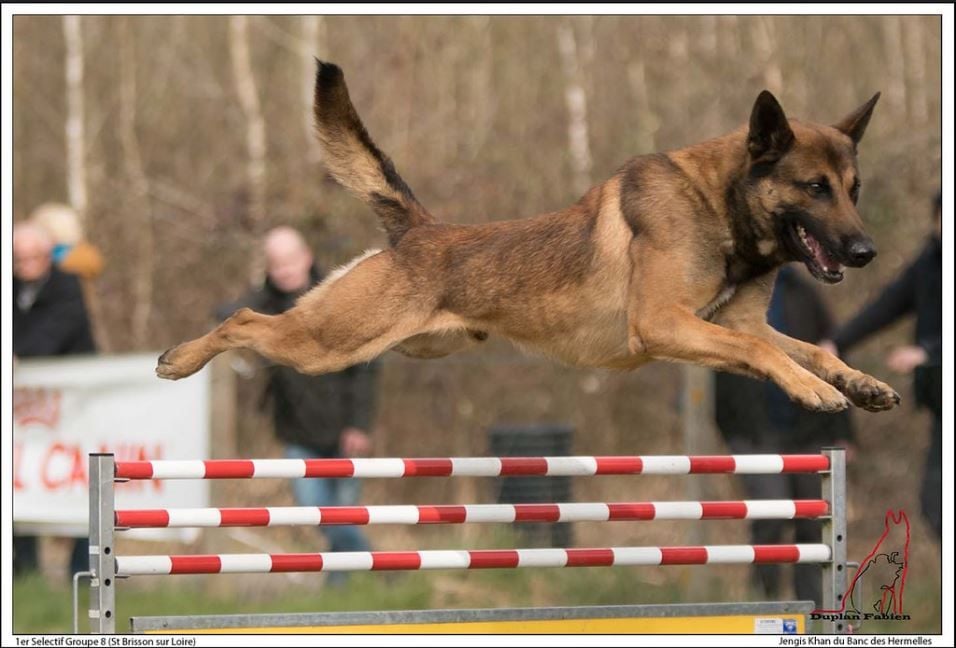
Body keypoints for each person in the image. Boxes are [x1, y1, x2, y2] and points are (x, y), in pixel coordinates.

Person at [217, 226, 380, 584]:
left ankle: (348, 589)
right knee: (315, 513)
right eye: (276, 265)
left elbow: (366, 369)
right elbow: (229, 314)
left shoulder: (339, 297)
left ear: (306, 257)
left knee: (343, 517)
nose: (285, 271)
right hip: (297, 433)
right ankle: (381, 568)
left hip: (344, 431)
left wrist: (359, 425)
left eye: (290, 262)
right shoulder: (264, 303)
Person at [714, 265, 855, 606]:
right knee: (772, 517)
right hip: (753, 432)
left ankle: (812, 610)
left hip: (808, 429)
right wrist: (731, 433)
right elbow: (715, 366)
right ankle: (765, 603)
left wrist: (844, 433)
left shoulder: (804, 293)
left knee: (812, 522)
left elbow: (835, 362)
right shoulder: (728, 293)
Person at [823, 191, 942, 540]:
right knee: (933, 506)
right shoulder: (928, 264)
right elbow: (886, 306)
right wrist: (837, 342)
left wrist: (930, 353)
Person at [13, 222, 96, 578]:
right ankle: (23, 571)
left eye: (32, 257)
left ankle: (83, 570)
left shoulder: (68, 286)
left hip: (73, 409)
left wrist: (16, 355)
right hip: (24, 413)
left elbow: (54, 334)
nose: (25, 264)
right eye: (18, 259)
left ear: (49, 256)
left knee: (80, 486)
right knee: (19, 480)